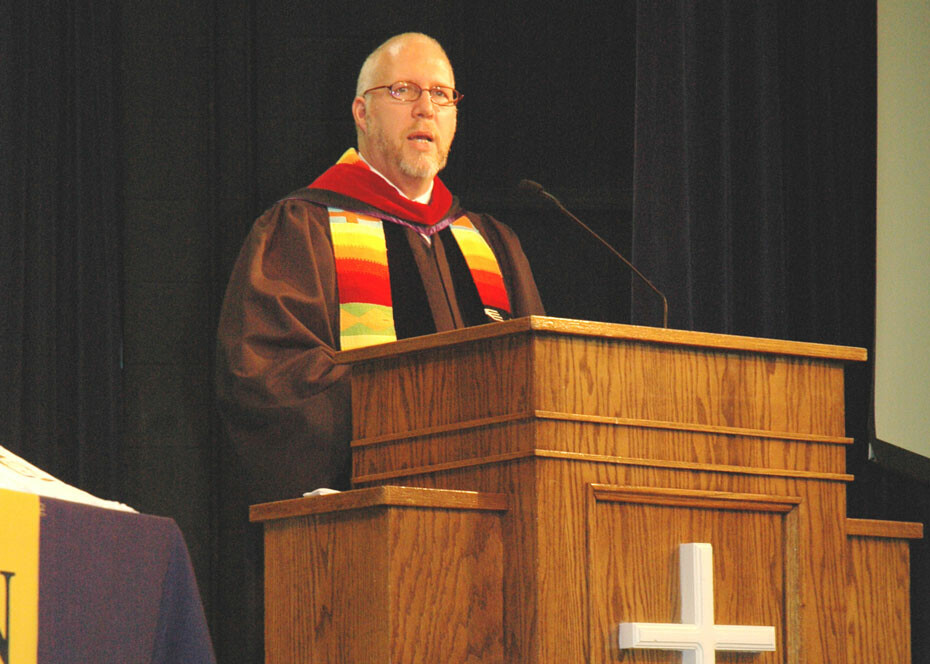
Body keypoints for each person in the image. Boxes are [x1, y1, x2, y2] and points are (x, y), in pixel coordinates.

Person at [216, 32, 543, 506]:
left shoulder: (492, 244)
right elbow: (270, 381)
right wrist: (421, 409)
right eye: (402, 90)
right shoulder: (303, 229)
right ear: (361, 113)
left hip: (498, 519)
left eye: (440, 94)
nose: (425, 108)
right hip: (370, 525)